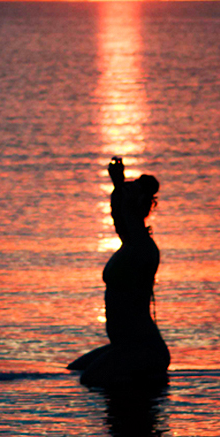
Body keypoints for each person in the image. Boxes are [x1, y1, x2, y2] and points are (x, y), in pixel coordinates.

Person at [68, 157, 170, 387]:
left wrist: (122, 193)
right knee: (74, 370)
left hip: (143, 348)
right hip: (125, 345)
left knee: (89, 380)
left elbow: (125, 217)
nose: (115, 218)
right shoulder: (131, 243)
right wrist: (117, 185)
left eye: (123, 208)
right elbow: (120, 216)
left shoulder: (143, 248)